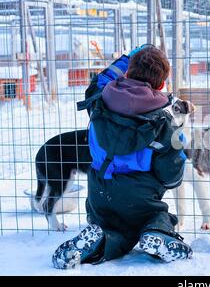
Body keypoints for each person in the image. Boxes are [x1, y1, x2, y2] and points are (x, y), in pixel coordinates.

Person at [52, 44, 192, 269]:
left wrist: (130, 56)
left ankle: (99, 237)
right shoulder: (165, 125)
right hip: (139, 198)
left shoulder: (98, 101)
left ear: (127, 72)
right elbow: (171, 178)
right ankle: (156, 232)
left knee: (110, 225)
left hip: (98, 192)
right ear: (162, 84)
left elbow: (101, 79)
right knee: (153, 219)